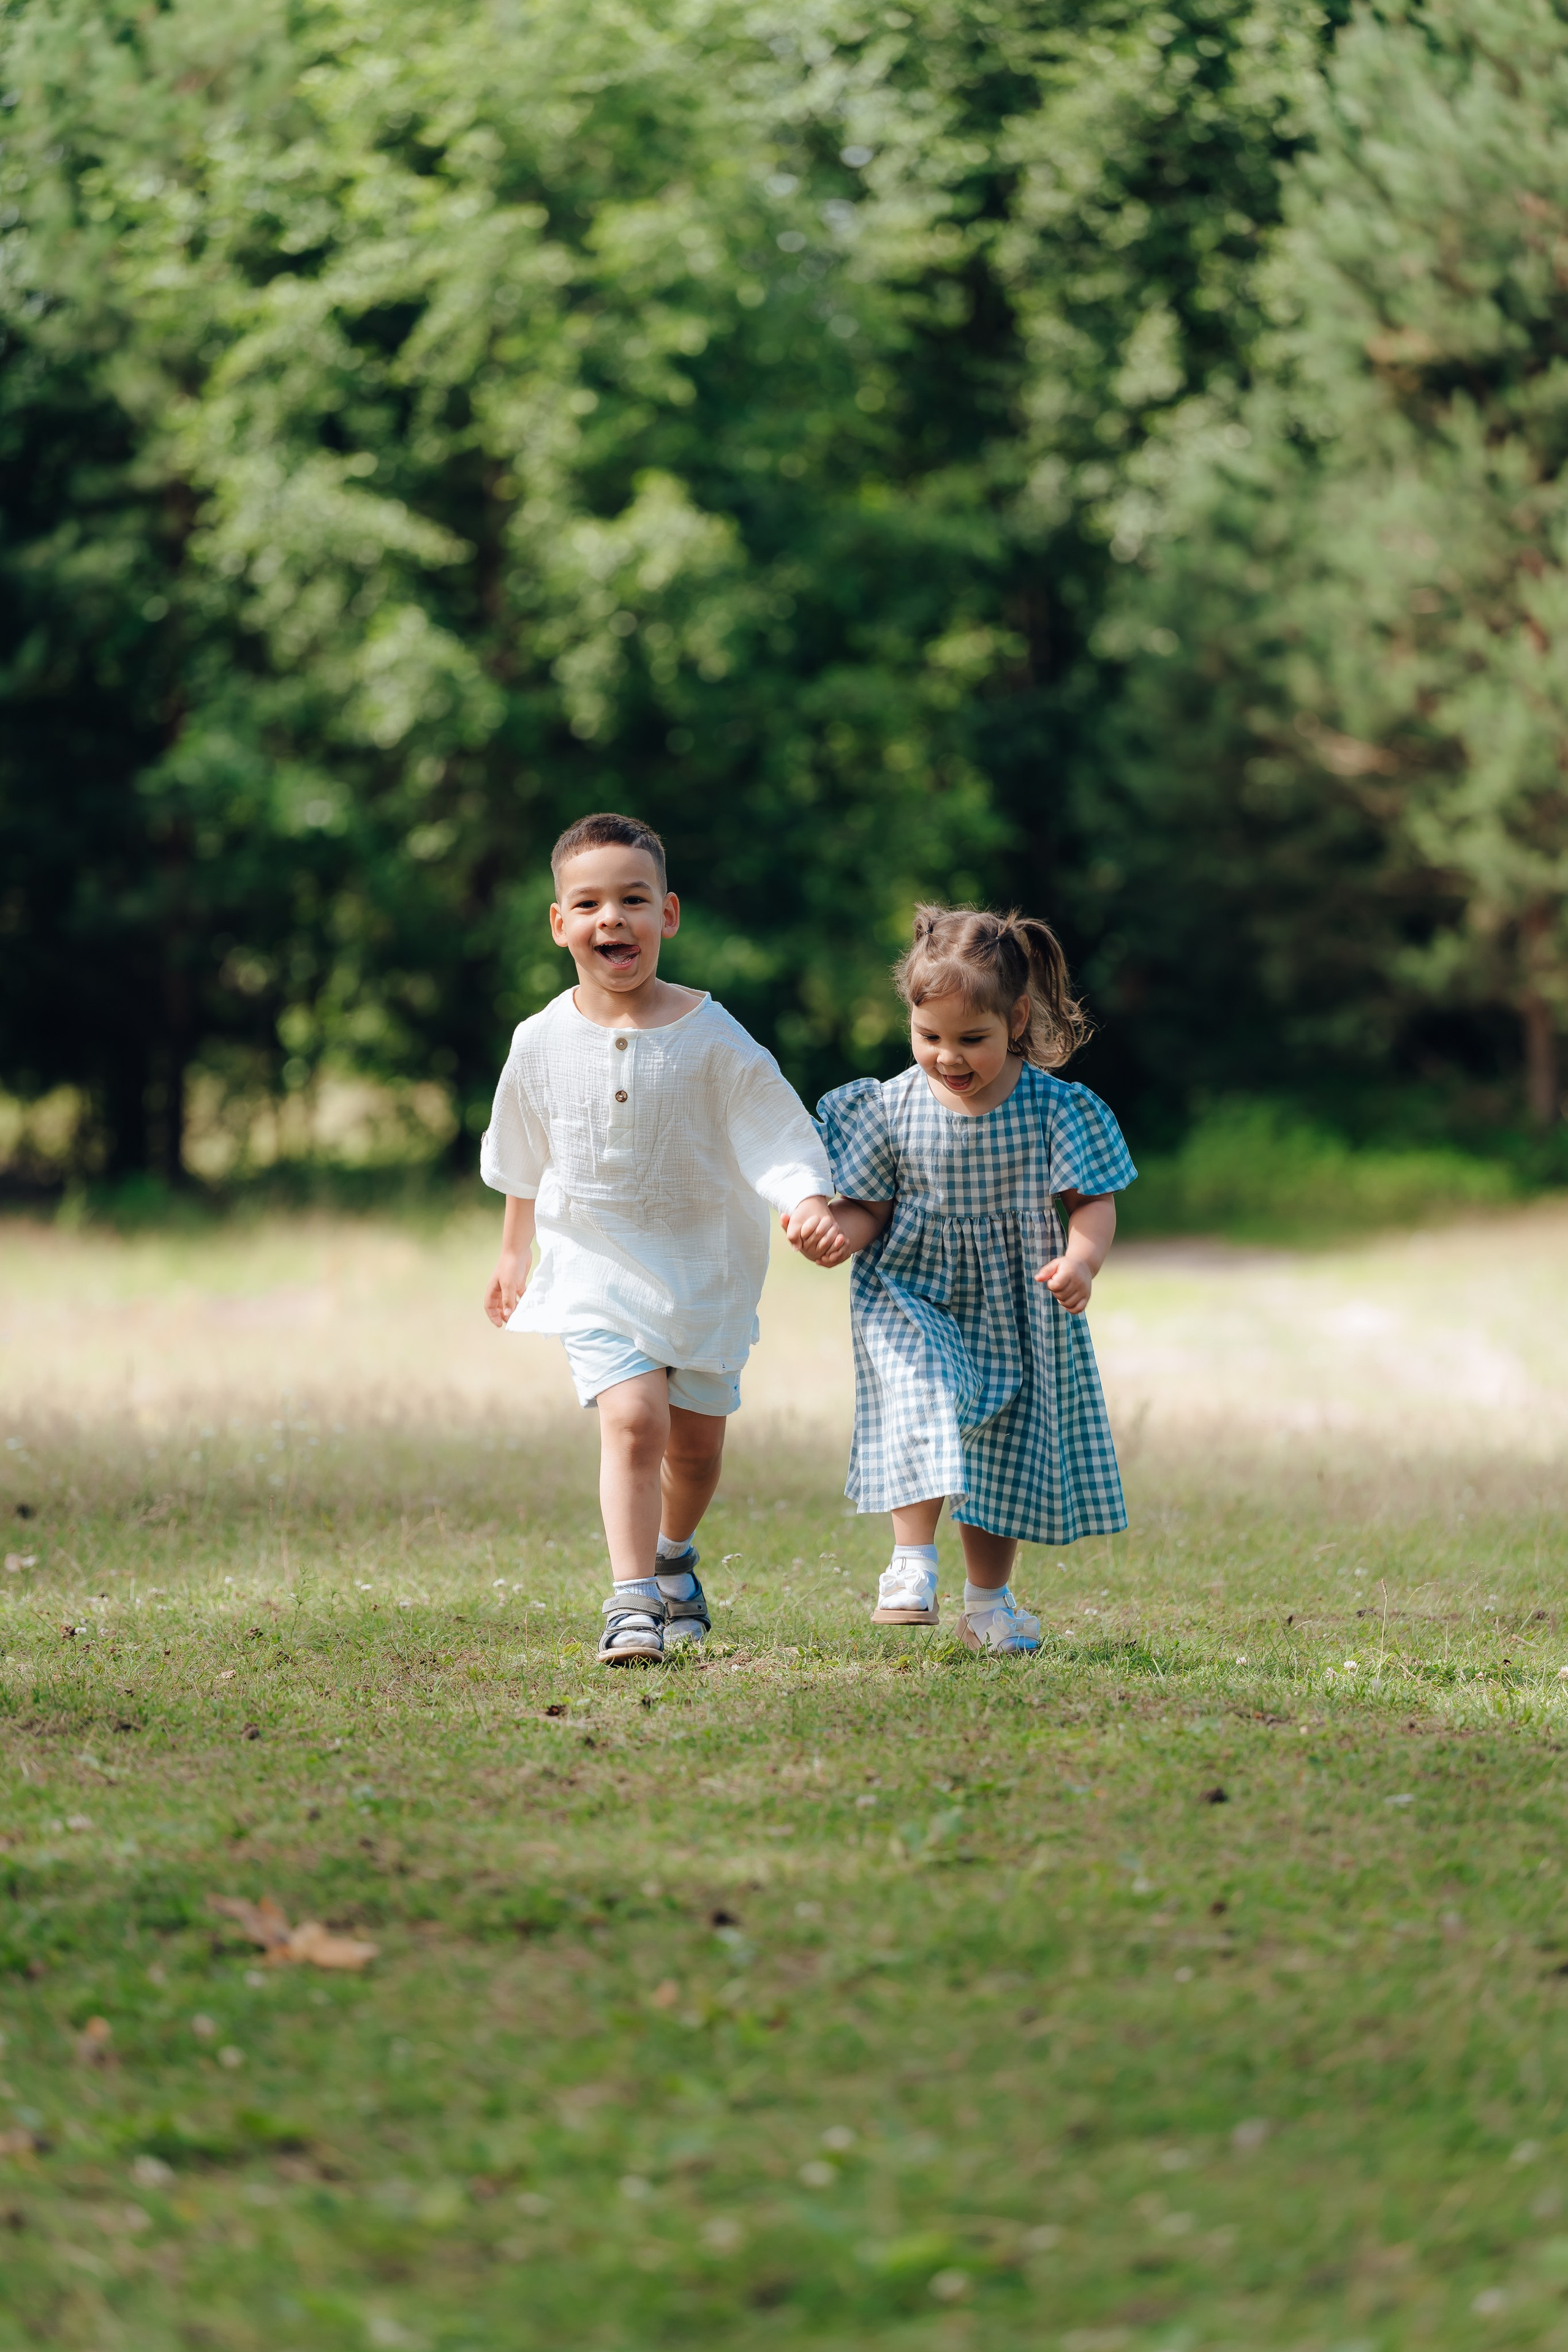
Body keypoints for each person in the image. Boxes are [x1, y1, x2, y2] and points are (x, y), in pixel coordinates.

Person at [481, 812, 834, 1666]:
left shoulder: (713, 1036)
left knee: (698, 1450)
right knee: (634, 1422)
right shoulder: (538, 1042)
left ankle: (675, 1554)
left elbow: (776, 1131)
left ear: (667, 915)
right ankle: (631, 1601)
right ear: (560, 922)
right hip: (594, 1264)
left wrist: (806, 1198)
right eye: (590, 903)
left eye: (633, 900)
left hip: (706, 1270)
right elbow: (525, 1155)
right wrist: (513, 1251)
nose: (614, 919)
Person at [788, 904, 1137, 1654]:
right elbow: (868, 1212)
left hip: (1017, 1300)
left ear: (1015, 1020)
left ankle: (988, 1608)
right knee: (919, 1391)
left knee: (1002, 1451)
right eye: (929, 1036)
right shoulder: (886, 1108)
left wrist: (1079, 1261)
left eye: (970, 1039)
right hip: (909, 1289)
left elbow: (1092, 1203)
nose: (948, 1056)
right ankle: (911, 1562)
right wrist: (831, 1233)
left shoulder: (1054, 1109)